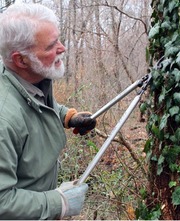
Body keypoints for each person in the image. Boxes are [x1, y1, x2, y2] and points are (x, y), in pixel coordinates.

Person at [0, 2, 96, 220]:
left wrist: (67, 116)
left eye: (59, 39)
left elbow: (34, 100)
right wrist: (58, 202)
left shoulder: (28, 76)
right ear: (20, 59)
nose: (62, 48)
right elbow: (2, 202)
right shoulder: (3, 120)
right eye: (51, 46)